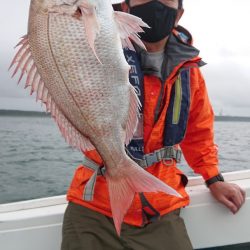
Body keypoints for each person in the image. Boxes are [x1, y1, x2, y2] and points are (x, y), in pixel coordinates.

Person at [61, 0, 246, 249]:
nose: (155, 3)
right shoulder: (95, 46)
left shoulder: (188, 70)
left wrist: (214, 179)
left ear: (179, 14)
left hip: (160, 207)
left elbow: (199, 132)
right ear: (124, 8)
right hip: (94, 207)